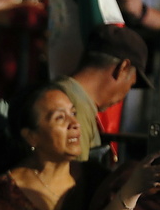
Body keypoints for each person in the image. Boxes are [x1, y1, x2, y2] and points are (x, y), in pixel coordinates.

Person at [56, 24, 152, 163]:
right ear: (123, 68)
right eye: (131, 84)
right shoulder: (76, 107)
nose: (126, 94)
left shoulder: (62, 93)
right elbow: (74, 178)